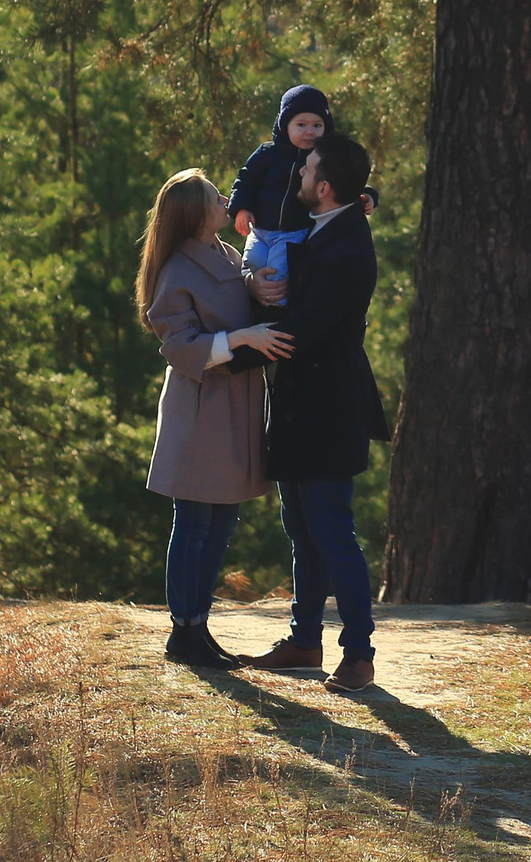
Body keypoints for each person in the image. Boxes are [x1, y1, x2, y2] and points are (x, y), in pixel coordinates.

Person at [230, 130, 389, 693]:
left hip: (328, 406)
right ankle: (304, 640)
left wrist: (226, 352)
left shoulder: (346, 246)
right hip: (301, 403)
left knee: (332, 530)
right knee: (302, 528)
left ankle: (359, 654)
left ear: (323, 188)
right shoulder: (324, 230)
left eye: (305, 170)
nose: (296, 174)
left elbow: (306, 327)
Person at [137, 168, 292, 669]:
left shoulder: (225, 254)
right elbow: (178, 345)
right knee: (196, 521)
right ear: (194, 213)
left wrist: (258, 286)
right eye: (214, 197)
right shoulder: (176, 270)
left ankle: (197, 627)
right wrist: (243, 339)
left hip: (235, 406)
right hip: (201, 409)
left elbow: (238, 297)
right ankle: (183, 631)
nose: (226, 199)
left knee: (222, 519)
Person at [227, 84, 335, 280]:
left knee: (277, 274)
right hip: (259, 230)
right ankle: (249, 306)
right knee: (251, 266)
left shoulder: (323, 158)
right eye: (301, 125)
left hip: (293, 234)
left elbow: (346, 179)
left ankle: (274, 307)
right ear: (285, 125)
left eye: (317, 125)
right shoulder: (268, 153)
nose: (310, 131)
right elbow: (246, 180)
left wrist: (368, 195)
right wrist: (241, 208)